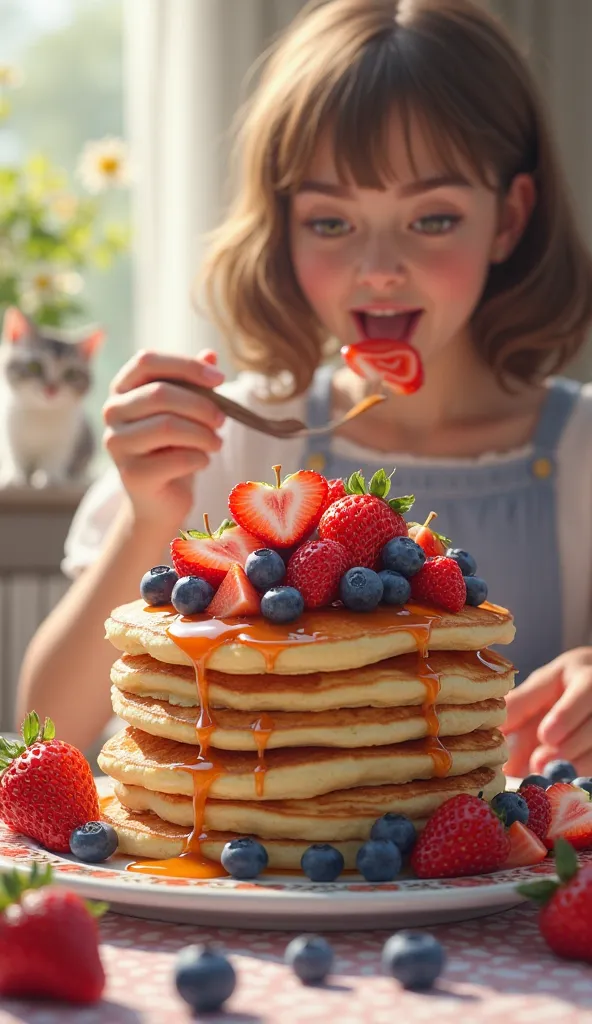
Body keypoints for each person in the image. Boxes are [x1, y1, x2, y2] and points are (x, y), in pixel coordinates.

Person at [17, 0, 592, 775]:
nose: (380, 265)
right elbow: (46, 729)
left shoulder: (584, 453)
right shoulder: (238, 446)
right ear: (283, 228)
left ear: (509, 219)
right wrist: (148, 515)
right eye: (331, 222)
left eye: (433, 219)